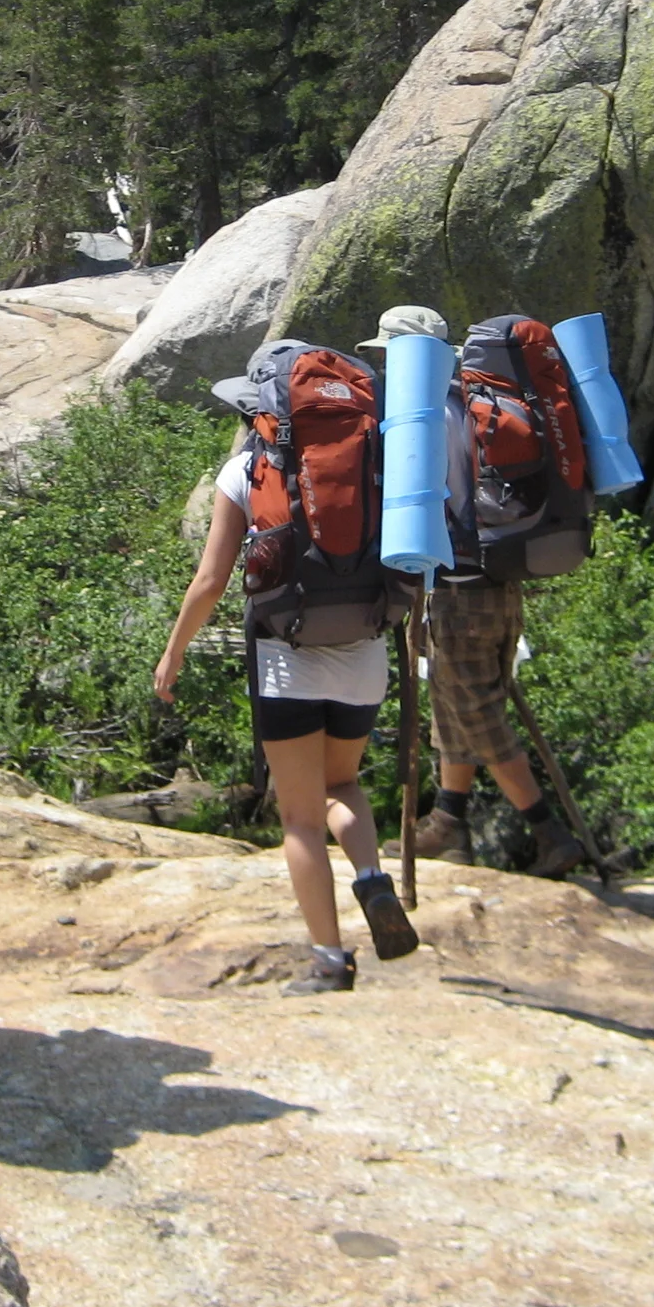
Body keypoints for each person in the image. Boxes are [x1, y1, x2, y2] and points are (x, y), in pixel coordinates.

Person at [153, 345, 420, 995]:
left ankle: (330, 961)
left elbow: (212, 578)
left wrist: (174, 649)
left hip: (285, 659)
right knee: (344, 785)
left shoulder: (246, 470)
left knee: (300, 817)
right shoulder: (374, 460)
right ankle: (370, 876)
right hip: (363, 654)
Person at [354, 306, 586, 879]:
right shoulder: (473, 402)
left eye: (388, 355)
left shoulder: (427, 420)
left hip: (460, 591)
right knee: (455, 706)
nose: (383, 365)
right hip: (497, 583)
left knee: (480, 715)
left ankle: (548, 831)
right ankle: (448, 825)